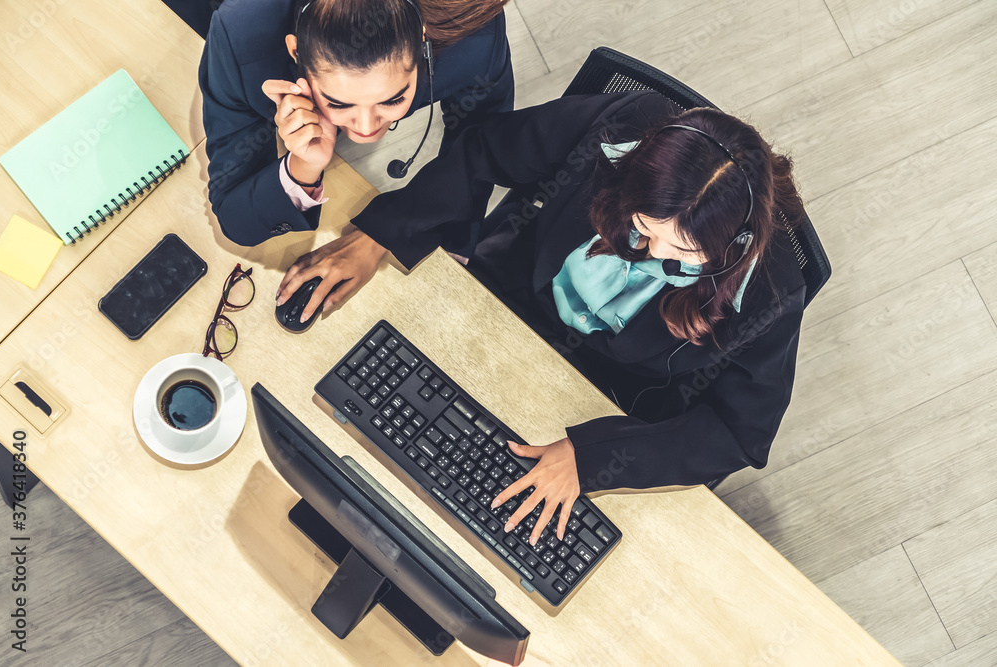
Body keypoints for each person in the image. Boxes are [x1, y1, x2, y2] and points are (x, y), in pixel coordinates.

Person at [279, 90, 808, 546]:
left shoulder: (773, 289)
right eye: (643, 228)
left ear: (731, 245)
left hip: (599, 401)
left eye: (680, 249)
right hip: (500, 305)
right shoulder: (620, 129)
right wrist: (381, 233)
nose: (648, 253)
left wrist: (593, 457)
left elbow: (739, 433)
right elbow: (486, 149)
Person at [199, 0, 514, 246]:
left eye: (392, 99)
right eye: (337, 103)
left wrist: (453, 242)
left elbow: (482, 145)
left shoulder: (477, 39)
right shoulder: (240, 34)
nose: (365, 129)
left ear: (422, 40)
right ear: (295, 50)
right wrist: (303, 168)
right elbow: (234, 214)